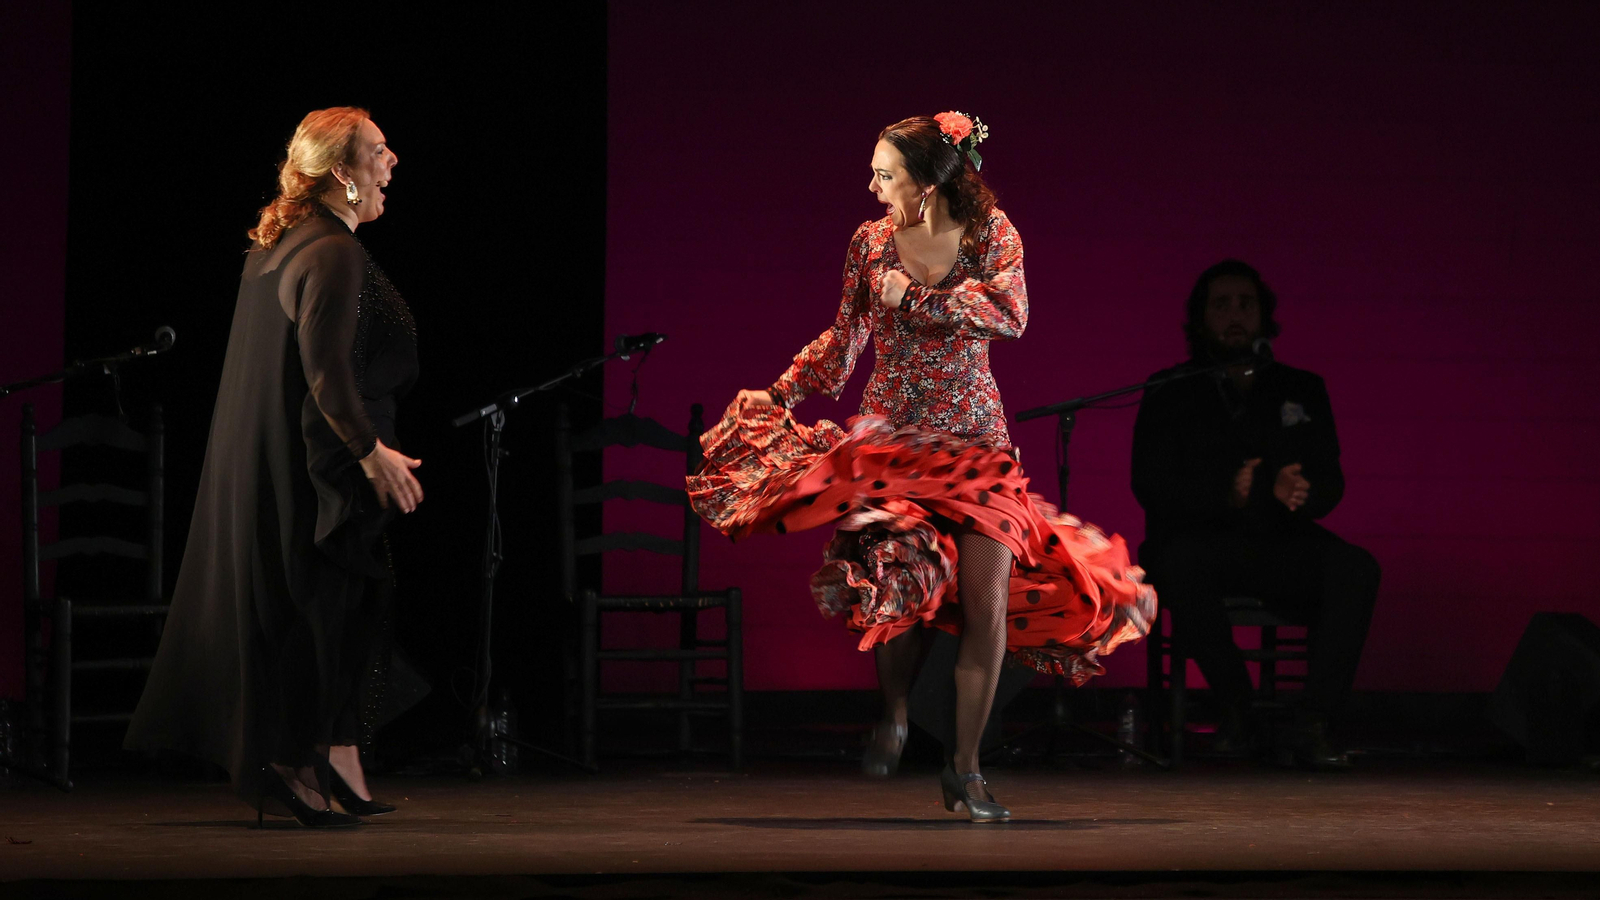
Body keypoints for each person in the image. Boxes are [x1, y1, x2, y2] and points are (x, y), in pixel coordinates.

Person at [689, 113, 1154, 821]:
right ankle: (898, 713)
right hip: (891, 441)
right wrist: (781, 389)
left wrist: (928, 299)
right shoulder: (870, 243)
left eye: (885, 173)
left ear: (929, 179)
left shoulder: (993, 235)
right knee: (898, 581)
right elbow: (844, 340)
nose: (871, 186)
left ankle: (965, 769)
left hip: (974, 441)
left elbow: (1011, 313)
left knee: (986, 603)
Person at [126, 107, 421, 826]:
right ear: (343, 173)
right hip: (323, 470)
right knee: (331, 614)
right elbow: (323, 372)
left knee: (351, 610)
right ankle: (294, 760)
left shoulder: (283, 245)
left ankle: (338, 751)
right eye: (378, 152)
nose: (393, 162)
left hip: (291, 465)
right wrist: (369, 452)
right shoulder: (331, 251)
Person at [1131, 259, 1381, 769]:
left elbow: (1329, 478)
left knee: (1356, 567)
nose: (1235, 315)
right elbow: (1150, 484)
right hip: (1200, 540)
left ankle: (1314, 721)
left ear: (1265, 316)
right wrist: (1227, 493)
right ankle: (1237, 711)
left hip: (1278, 540)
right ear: (1200, 320)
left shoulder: (1301, 387)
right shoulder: (1170, 388)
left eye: (1246, 304)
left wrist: (1303, 492)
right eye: (1221, 305)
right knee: (1176, 562)